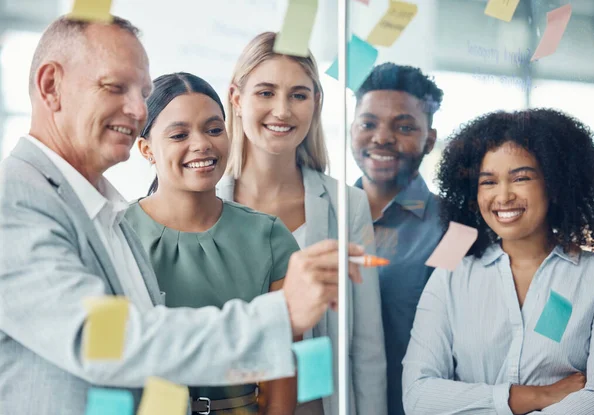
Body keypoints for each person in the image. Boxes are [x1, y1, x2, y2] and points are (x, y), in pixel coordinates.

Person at [0, 16, 364, 415]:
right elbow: (105, 341)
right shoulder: (17, 202)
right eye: (115, 87)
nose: (138, 109)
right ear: (51, 87)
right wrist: (278, 317)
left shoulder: (103, 211)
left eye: (142, 91)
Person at [216, 32, 387, 415]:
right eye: (265, 93)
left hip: (318, 403)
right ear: (236, 99)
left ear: (316, 103)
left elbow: (367, 348)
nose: (282, 110)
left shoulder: (348, 206)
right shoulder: (206, 200)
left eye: (298, 94)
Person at [402, 109, 594, 414]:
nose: (504, 196)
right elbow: (418, 396)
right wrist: (539, 396)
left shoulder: (593, 277)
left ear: (555, 184)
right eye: (488, 182)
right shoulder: (452, 273)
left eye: (521, 178)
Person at [125, 72, 298, 414]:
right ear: (147, 149)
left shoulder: (270, 237)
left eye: (214, 129)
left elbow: (282, 370)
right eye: (179, 134)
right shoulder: (117, 234)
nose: (202, 143)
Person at [350, 63, 444, 415]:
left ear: (429, 139)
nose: (382, 138)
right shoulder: (325, 215)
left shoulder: (455, 227)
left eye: (404, 127)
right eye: (368, 124)